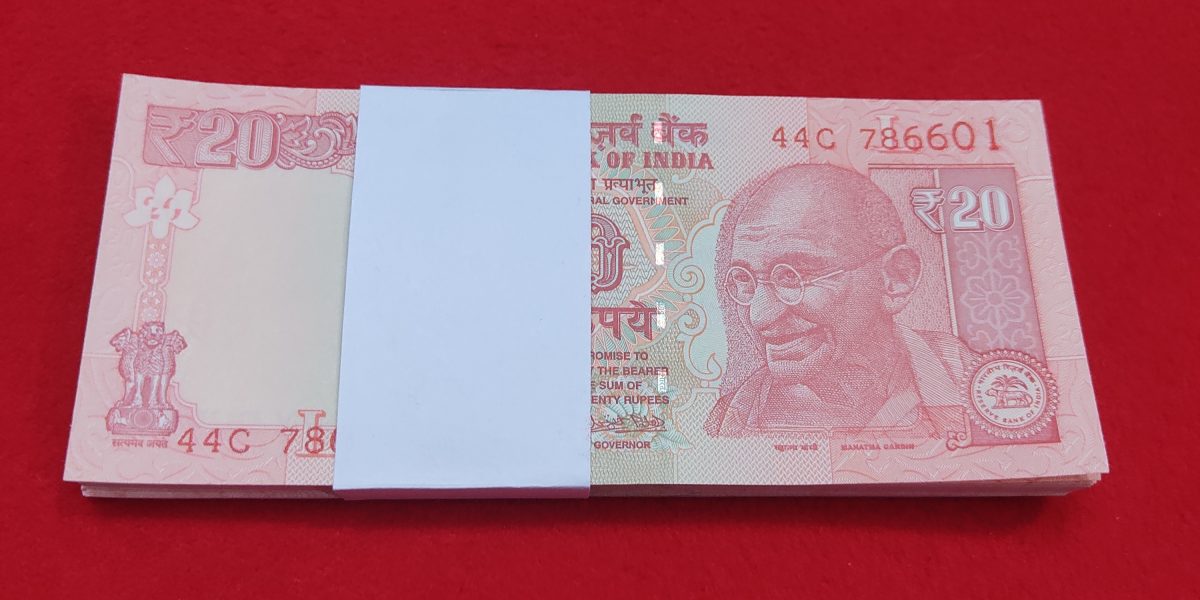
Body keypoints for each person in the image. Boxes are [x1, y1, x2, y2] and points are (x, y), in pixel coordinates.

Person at [705, 164, 977, 435]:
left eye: (795, 275)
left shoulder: (979, 387)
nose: (759, 316)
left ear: (895, 279)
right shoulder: (727, 422)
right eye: (744, 280)